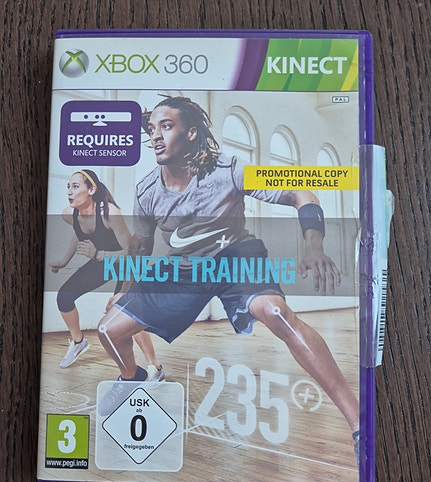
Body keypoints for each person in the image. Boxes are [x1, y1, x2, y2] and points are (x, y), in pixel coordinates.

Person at [97, 96, 359, 455]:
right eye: (152, 129)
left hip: (235, 256)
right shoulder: (146, 191)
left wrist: (313, 245)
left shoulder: (229, 169)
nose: (156, 136)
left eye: (166, 126)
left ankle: (359, 422)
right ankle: (133, 378)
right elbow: (140, 247)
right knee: (107, 330)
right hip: (185, 268)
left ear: (191, 133)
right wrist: (123, 290)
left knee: (276, 312)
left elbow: (301, 191)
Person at [50, 169, 163, 379]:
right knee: (64, 296)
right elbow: (78, 233)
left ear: (91, 189)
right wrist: (64, 261)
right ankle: (78, 342)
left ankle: (155, 367)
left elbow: (132, 251)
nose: (70, 191)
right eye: (68, 186)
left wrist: (98, 254)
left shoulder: (110, 213)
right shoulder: (69, 213)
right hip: (101, 261)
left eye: (76, 186)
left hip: (125, 263)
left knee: (127, 316)